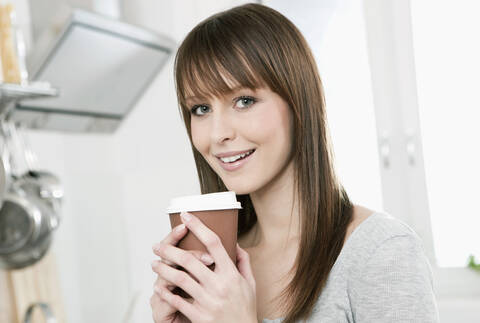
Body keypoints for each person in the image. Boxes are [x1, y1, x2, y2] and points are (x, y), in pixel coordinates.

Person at [150, 3, 440, 323]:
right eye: (200, 109)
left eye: (244, 101)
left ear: (299, 101)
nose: (218, 134)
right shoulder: (216, 266)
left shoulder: (381, 252)